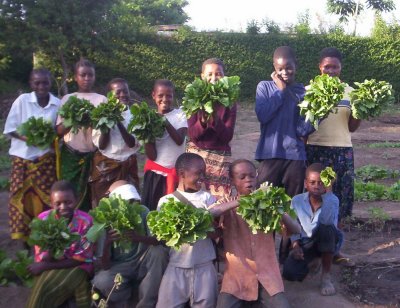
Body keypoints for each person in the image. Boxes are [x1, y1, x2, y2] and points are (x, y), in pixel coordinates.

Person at [156, 153, 239, 308]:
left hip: (205, 266)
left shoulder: (208, 199)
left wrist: (212, 229)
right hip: (176, 266)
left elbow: (216, 234)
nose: (203, 177)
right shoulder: (166, 202)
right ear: (181, 174)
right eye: (198, 173)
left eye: (204, 173)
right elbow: (163, 238)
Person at [215, 159, 299, 308]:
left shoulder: (268, 204)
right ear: (232, 181)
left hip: (267, 278)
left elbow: (296, 230)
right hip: (236, 279)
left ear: (257, 177)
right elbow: (210, 214)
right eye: (242, 177)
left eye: (252, 176)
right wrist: (242, 202)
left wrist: (278, 210)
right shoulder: (227, 203)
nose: (248, 180)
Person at [3, 68, 60, 242]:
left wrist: (49, 138)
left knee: (46, 203)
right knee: (21, 201)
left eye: (45, 82)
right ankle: (24, 242)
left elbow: (59, 131)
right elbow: (10, 129)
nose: (41, 86)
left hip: (46, 163)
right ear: (31, 83)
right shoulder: (22, 101)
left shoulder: (57, 104)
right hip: (23, 162)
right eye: (37, 82)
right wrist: (29, 138)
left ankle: (44, 239)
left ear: (50, 83)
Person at [92, 180, 169, 307]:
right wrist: (107, 243)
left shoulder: (143, 211)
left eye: (133, 201)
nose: (131, 205)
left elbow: (157, 240)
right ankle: (125, 298)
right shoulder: (105, 219)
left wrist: (138, 238)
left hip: (143, 261)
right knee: (102, 280)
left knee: (159, 252)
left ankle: (146, 303)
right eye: (127, 202)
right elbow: (105, 265)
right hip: (120, 266)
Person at [306, 47, 361, 221]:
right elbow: (302, 125)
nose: (330, 71)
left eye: (334, 67)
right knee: (314, 194)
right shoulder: (309, 90)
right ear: (319, 67)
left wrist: (361, 111)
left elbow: (352, 127)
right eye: (327, 67)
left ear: (341, 68)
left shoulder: (351, 92)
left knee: (340, 195)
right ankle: (312, 236)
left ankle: (335, 239)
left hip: (342, 150)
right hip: (314, 148)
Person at [255, 46, 314, 197]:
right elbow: (263, 115)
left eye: (289, 68)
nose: (285, 72)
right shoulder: (264, 87)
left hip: (295, 156)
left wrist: (319, 114)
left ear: (296, 65)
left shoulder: (303, 93)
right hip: (269, 154)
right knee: (262, 202)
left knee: (291, 205)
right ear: (274, 68)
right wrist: (280, 91)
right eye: (280, 69)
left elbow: (302, 130)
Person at [26, 180, 94, 308]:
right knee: (41, 286)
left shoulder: (85, 222)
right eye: (58, 203)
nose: (63, 207)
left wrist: (45, 266)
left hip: (78, 265)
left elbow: (81, 258)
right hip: (51, 263)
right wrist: (51, 245)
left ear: (77, 199)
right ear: (51, 203)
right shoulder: (43, 220)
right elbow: (43, 257)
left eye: (68, 202)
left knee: (47, 287)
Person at [283, 163, 341, 296]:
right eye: (312, 182)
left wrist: (328, 194)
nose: (316, 186)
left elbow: (327, 222)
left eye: (321, 183)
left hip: (327, 238)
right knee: (290, 274)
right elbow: (293, 225)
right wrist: (296, 245)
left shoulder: (333, 200)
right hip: (306, 242)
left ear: (327, 184)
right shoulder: (297, 201)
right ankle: (315, 260)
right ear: (305, 183)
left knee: (326, 229)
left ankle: (326, 276)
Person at [56, 58, 107, 211]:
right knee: (67, 193)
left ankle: (85, 228)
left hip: (92, 156)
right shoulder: (68, 99)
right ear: (75, 77)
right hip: (70, 157)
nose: (86, 78)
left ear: (94, 76)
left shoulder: (101, 100)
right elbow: (59, 131)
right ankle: (67, 228)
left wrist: (92, 120)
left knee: (91, 196)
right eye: (82, 75)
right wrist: (75, 118)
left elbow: (105, 131)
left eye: (90, 75)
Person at [186, 58, 237, 199]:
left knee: (219, 202)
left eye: (218, 74)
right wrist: (203, 121)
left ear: (224, 76)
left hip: (220, 159)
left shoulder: (230, 100)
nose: (214, 78)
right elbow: (192, 134)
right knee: (194, 198)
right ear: (202, 76)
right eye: (209, 74)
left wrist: (215, 118)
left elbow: (227, 136)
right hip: (196, 156)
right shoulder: (194, 97)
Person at [89, 78, 140, 208]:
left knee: (129, 204)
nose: (122, 95)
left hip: (128, 166)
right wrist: (108, 121)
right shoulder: (101, 114)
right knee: (104, 204)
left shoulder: (135, 115)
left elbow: (132, 143)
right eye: (118, 92)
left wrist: (118, 122)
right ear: (109, 96)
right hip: (106, 166)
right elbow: (101, 145)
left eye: (125, 91)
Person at [141, 79, 187, 211]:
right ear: (153, 95)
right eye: (160, 95)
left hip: (176, 173)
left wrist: (165, 122)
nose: (165, 99)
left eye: (169, 95)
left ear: (173, 96)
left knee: (175, 211)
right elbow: (152, 155)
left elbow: (179, 140)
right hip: (156, 174)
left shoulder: (180, 115)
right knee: (154, 209)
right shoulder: (149, 119)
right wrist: (146, 134)